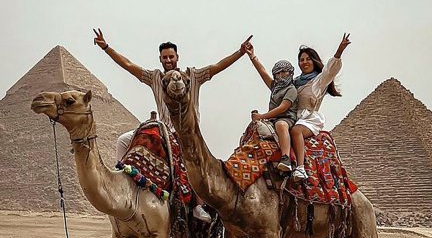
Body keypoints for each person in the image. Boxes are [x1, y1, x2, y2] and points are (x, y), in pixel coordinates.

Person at [93, 29, 251, 221]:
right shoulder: (155, 78)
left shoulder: (193, 76)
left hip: (188, 132)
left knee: (195, 163)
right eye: (164, 57)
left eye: (171, 57)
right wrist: (106, 47)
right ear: (160, 59)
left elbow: (217, 66)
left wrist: (240, 52)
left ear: (177, 57)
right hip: (164, 129)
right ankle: (124, 181)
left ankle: (198, 205)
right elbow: (128, 65)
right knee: (123, 140)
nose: (168, 60)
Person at [290, 33, 351, 181]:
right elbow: (273, 86)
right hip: (292, 116)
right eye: (301, 60)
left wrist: (340, 50)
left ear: (314, 61)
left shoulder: (319, 81)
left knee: (295, 131)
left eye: (308, 59)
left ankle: (300, 169)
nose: (304, 62)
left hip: (308, 119)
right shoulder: (294, 83)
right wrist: (253, 57)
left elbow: (330, 69)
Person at [244, 43, 298, 173]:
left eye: (284, 72)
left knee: (281, 125)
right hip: (271, 120)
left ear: (290, 73)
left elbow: (283, 108)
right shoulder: (275, 87)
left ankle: (286, 159)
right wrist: (252, 56)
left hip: (286, 119)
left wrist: (262, 116)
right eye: (278, 73)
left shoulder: (291, 89)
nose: (281, 75)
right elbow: (263, 73)